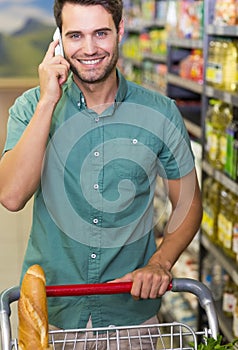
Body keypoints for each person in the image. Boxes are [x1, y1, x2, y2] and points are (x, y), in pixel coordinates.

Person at [0, 0, 202, 347]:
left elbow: (188, 204)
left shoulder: (160, 112)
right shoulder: (31, 107)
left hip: (131, 317)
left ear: (120, 31)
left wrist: (161, 262)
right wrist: (49, 99)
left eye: (101, 33)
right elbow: (12, 196)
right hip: (52, 313)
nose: (90, 49)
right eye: (75, 35)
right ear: (59, 40)